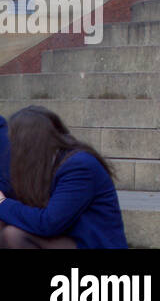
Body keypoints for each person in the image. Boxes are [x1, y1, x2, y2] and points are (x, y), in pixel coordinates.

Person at [0, 107, 127, 249]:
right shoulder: (45, 165)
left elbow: (49, 223)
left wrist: (2, 202)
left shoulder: (80, 166)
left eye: (14, 142)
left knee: (13, 236)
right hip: (66, 237)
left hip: (93, 244)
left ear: (28, 144)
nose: (11, 149)